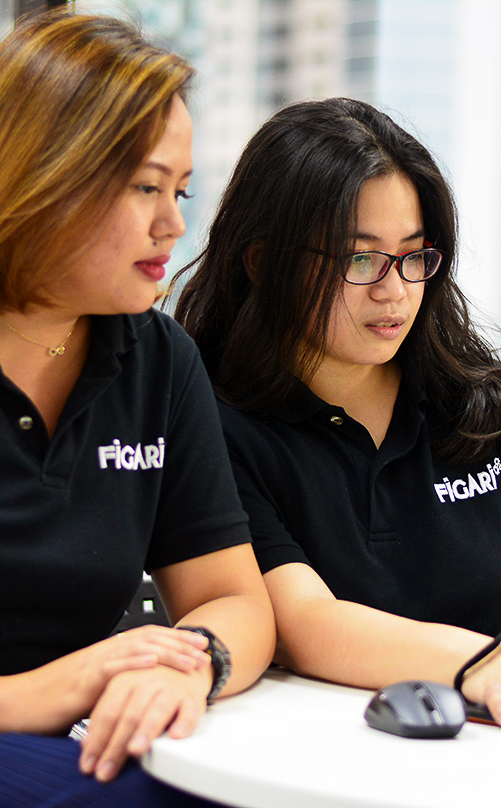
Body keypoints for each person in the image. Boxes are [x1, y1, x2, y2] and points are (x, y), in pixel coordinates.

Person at [175, 97, 501, 728]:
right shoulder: (215, 427)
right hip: (327, 750)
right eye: (360, 260)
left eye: (414, 257)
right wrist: (484, 662)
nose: (395, 290)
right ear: (263, 263)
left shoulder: (488, 406)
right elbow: (305, 623)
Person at [0, 10, 274, 806]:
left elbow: (234, 599)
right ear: (45, 174)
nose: (174, 223)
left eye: (180, 190)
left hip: (74, 737)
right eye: (147, 187)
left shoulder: (156, 359)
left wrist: (191, 663)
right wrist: (62, 686)